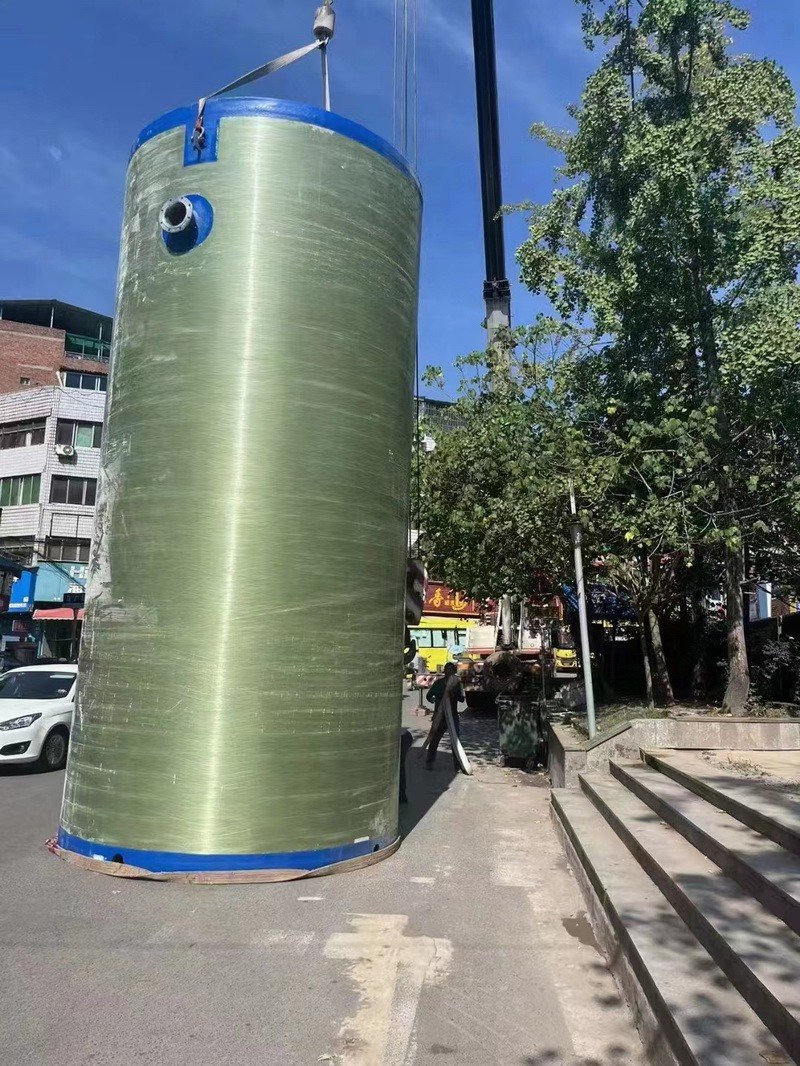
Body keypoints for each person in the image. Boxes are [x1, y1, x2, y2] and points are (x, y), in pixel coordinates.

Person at [425, 662, 465, 771]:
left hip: (453, 716)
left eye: (452, 670)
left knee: (455, 741)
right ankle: (429, 762)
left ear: (454, 672)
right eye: (448, 669)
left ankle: (458, 765)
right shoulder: (438, 683)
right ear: (445, 671)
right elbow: (429, 696)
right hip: (440, 716)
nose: (450, 672)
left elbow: (462, 699)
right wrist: (434, 700)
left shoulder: (457, 684)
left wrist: (454, 694)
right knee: (434, 739)